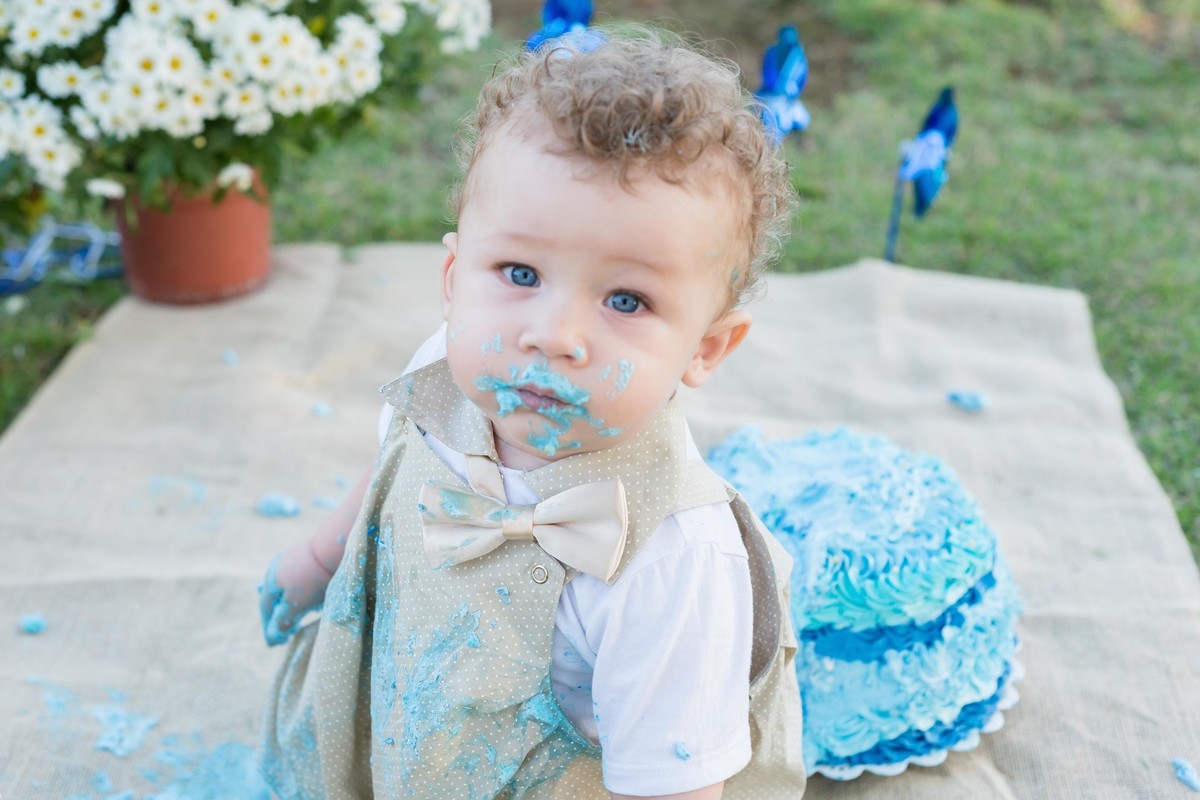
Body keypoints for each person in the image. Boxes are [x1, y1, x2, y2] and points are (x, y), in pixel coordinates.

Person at [257, 27, 805, 800]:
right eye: (519, 273)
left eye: (626, 301)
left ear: (706, 347)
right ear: (454, 279)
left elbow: (675, 788)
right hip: (412, 712)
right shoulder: (441, 374)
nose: (552, 334)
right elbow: (389, 479)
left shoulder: (671, 561)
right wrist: (319, 559)